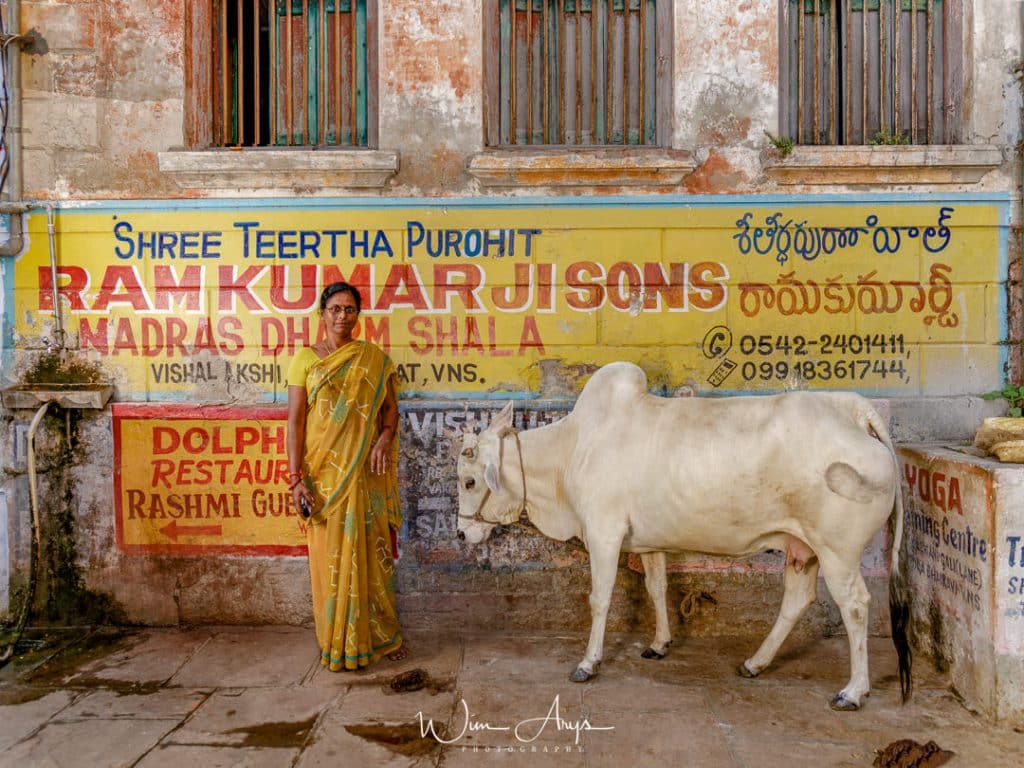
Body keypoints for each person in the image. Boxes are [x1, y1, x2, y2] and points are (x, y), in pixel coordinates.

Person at [286, 281, 407, 670]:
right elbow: (295, 423)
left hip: (363, 474)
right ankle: (335, 642)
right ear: (322, 314)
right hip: (323, 479)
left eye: (350, 309)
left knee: (371, 556)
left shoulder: (373, 359)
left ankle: (379, 637)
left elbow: (390, 412)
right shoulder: (305, 360)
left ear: (358, 314)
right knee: (329, 562)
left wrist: (383, 440)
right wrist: (295, 478)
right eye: (335, 308)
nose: (342, 316)